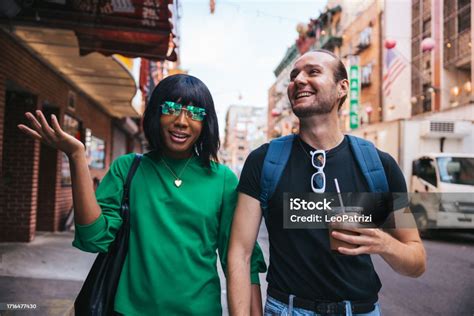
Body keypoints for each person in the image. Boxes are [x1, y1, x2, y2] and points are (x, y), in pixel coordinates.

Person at [18, 74, 266, 315]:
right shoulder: (128, 168)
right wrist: (76, 157)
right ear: (156, 113)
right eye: (171, 108)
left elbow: (242, 259)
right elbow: (93, 238)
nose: (182, 121)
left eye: (195, 114)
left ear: (206, 123)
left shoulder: (222, 179)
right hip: (128, 310)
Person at [227, 50, 426, 316]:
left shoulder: (378, 165)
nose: (298, 79)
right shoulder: (263, 161)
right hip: (286, 309)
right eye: (294, 74)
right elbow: (240, 254)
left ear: (342, 87)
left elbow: (417, 261)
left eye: (313, 72)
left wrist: (384, 243)